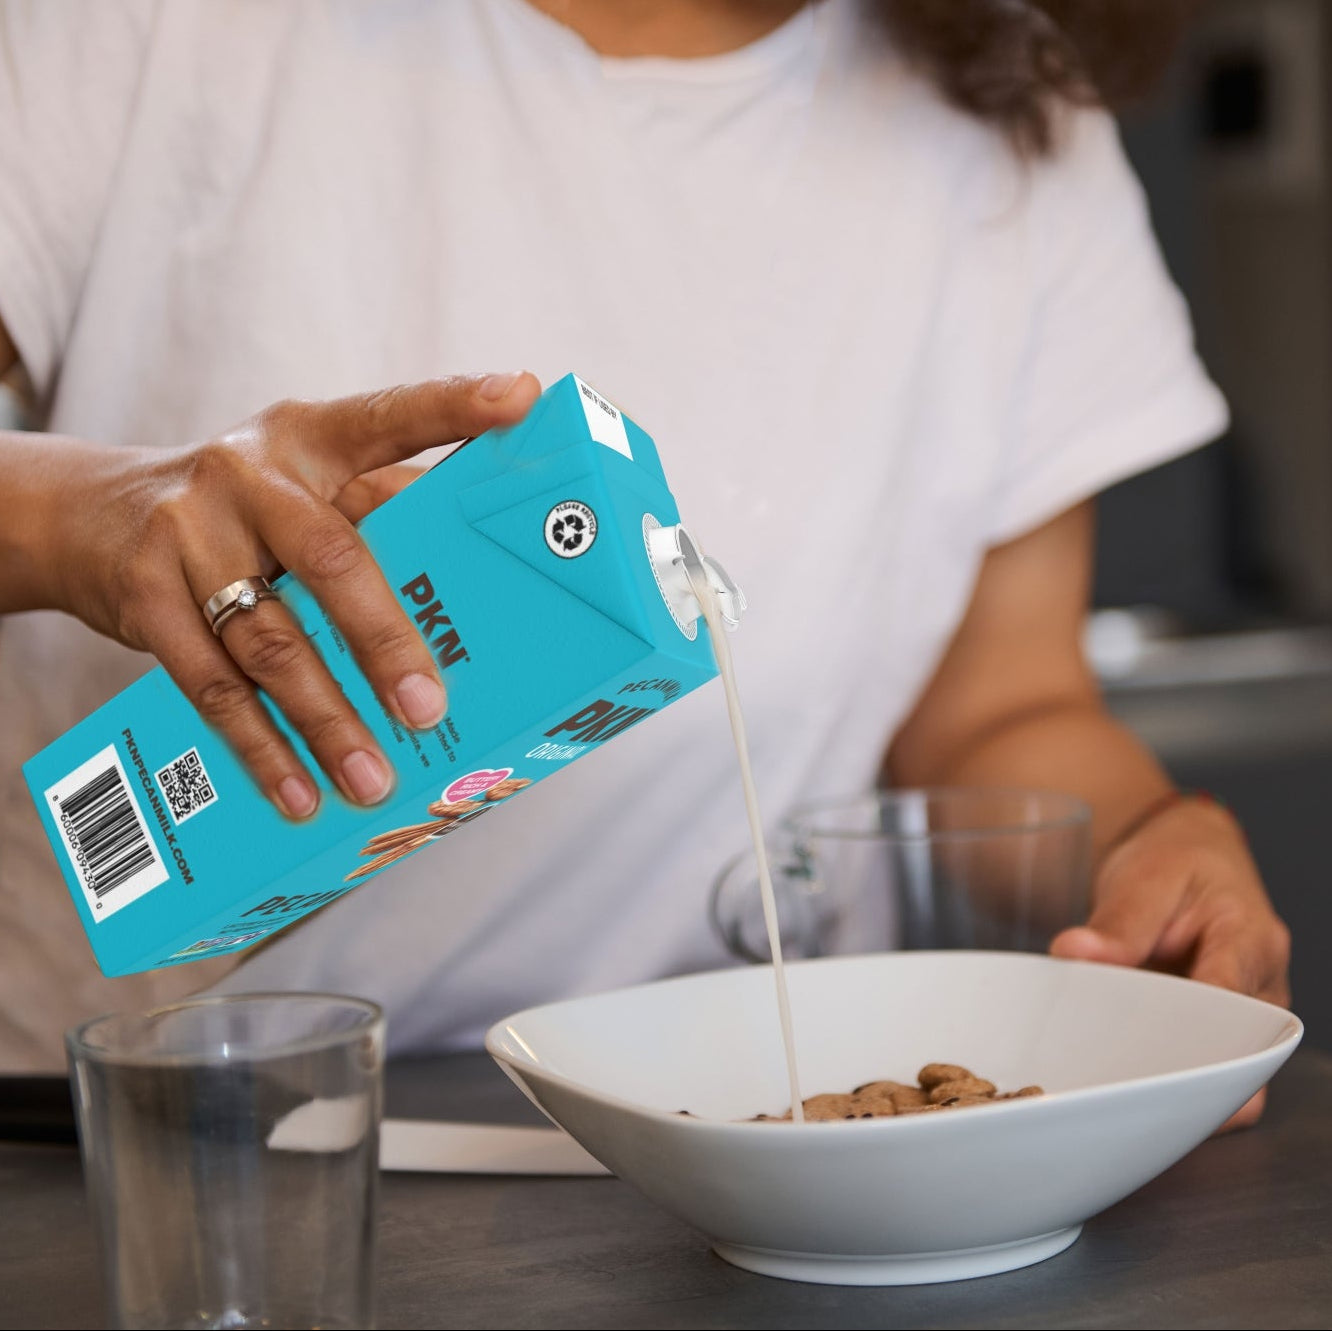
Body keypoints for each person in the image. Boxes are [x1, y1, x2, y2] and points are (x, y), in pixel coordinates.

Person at [0, 0, 1289, 1114]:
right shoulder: (158, 32)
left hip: (724, 1141)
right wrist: (80, 517)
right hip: (127, 1132)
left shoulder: (1013, 113)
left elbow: (1000, 708)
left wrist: (1158, 850)